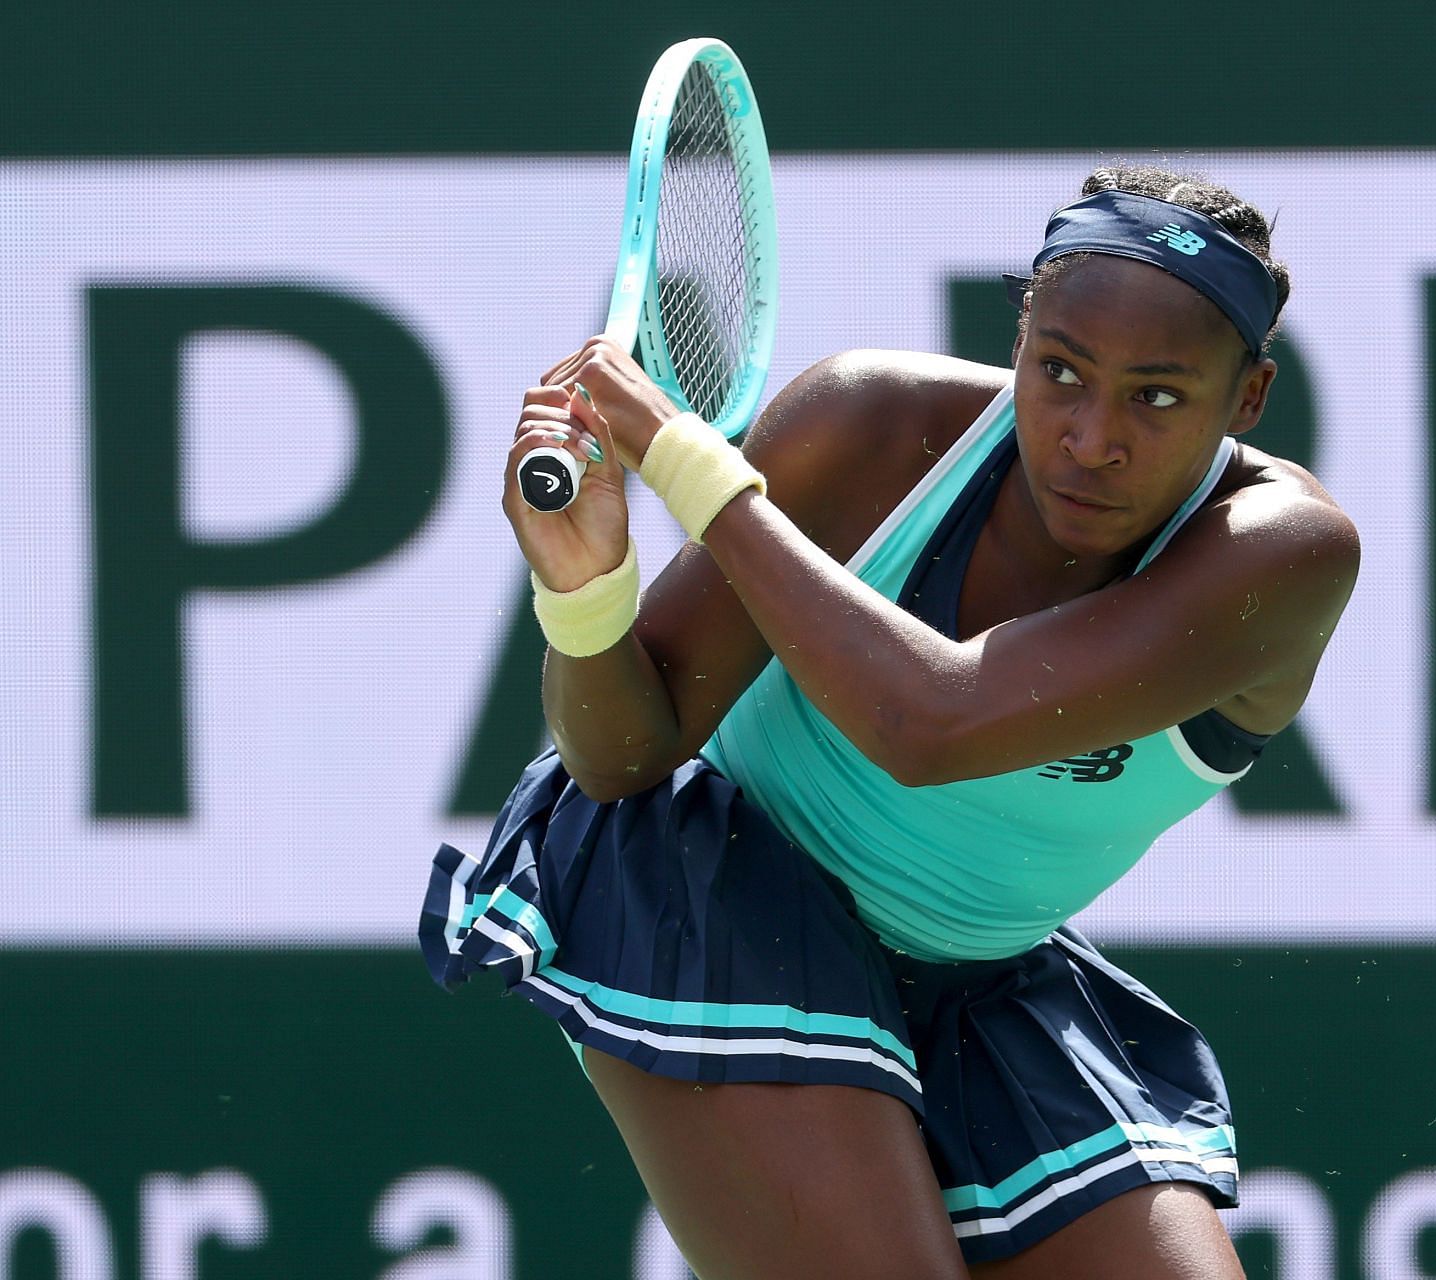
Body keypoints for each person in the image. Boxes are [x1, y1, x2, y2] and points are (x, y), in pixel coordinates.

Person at [422, 164, 1359, 1279]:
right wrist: (584, 596)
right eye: (1059, 370)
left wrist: (694, 471)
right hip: (712, 898)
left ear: (1246, 399)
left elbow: (933, 725)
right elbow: (621, 759)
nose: (1091, 435)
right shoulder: (867, 425)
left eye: (1157, 395)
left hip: (981, 979)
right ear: (1019, 335)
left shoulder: (1287, 552)